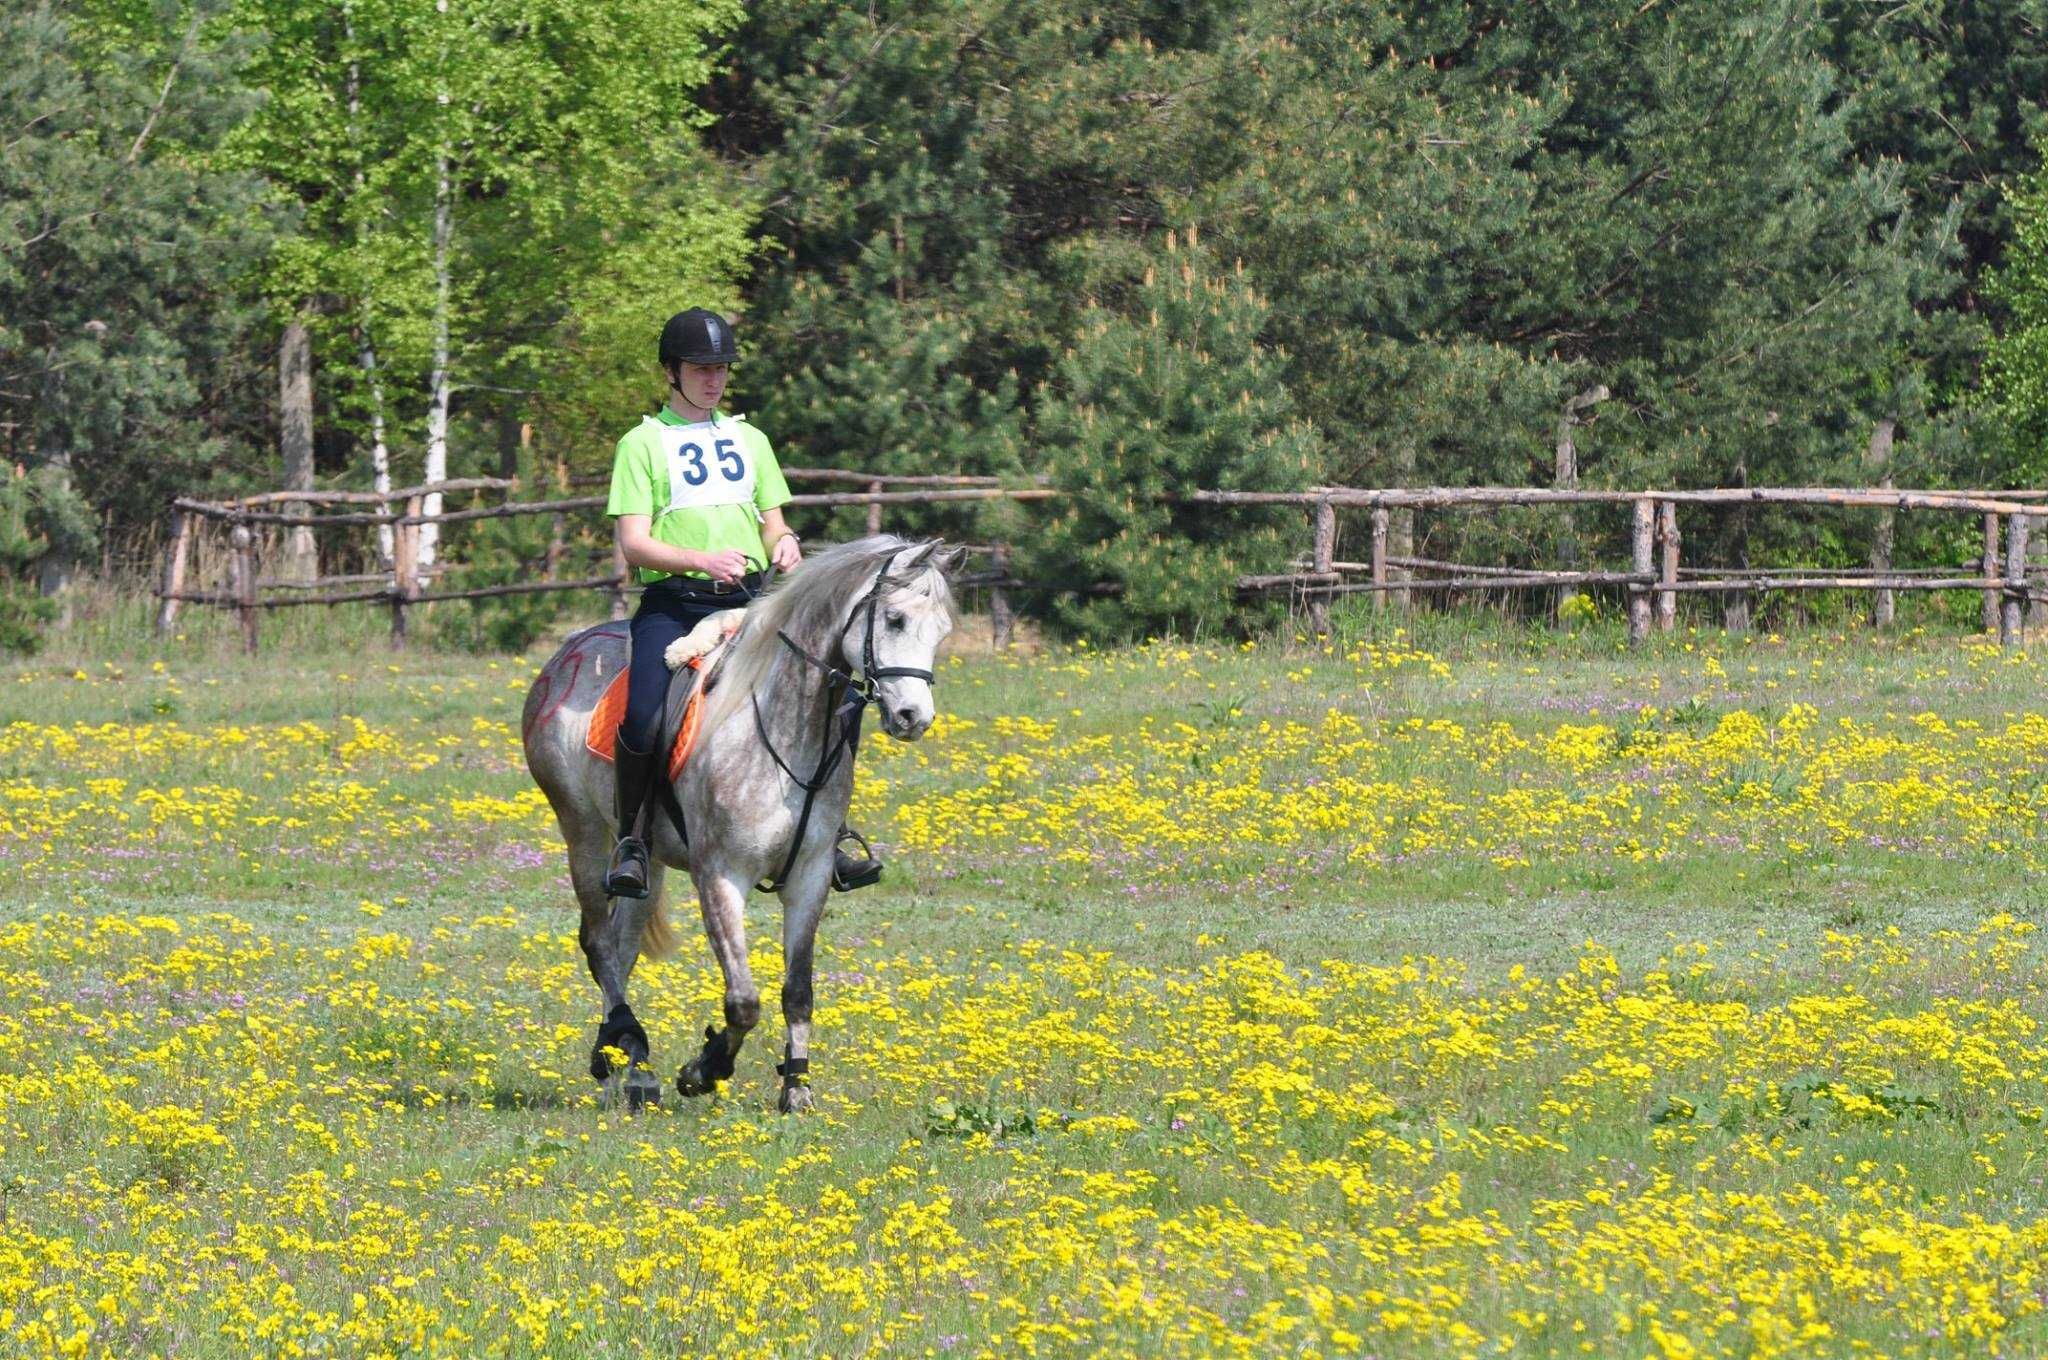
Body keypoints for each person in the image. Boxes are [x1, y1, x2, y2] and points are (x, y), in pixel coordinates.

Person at [602, 307, 884, 898]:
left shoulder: (749, 438)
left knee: (836, 697)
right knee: (646, 716)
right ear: (672, 372)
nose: (714, 378)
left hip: (753, 605)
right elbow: (633, 543)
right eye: (701, 367)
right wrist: (700, 560)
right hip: (675, 605)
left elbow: (772, 525)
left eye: (722, 367)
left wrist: (784, 544)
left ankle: (829, 835)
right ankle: (632, 841)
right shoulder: (642, 444)